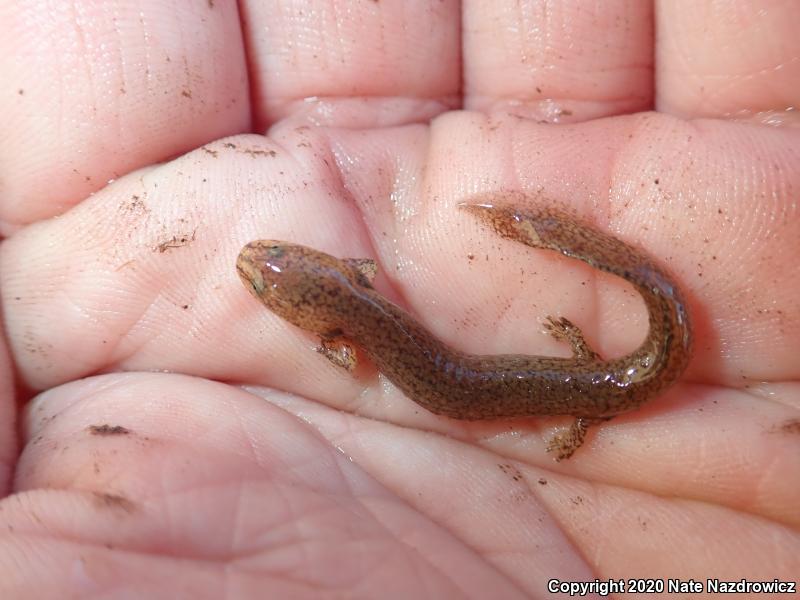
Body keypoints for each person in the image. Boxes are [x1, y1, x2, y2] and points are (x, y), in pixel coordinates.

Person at [0, 2, 798, 597]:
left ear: (332, 293)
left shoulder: (346, 327)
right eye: (268, 265)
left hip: (573, 392)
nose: (261, 262)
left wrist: (326, 342)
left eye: (271, 263)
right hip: (579, 388)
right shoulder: (355, 286)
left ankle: (588, 391)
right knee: (581, 387)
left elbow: (347, 355)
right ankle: (589, 384)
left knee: (578, 391)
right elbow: (356, 293)